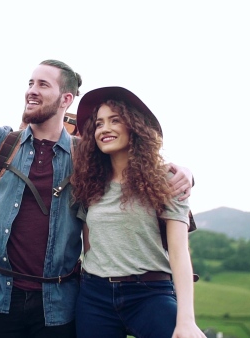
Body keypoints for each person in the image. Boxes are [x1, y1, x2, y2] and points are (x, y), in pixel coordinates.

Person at [0, 22, 194, 338]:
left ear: (66, 99)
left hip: (58, 306)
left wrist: (178, 171)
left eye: (43, 85)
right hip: (0, 300)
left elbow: (132, 157)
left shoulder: (85, 156)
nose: (32, 90)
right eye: (30, 82)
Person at [71, 86, 205, 338]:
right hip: (94, 296)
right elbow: (90, 246)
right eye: (99, 124)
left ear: (134, 126)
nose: (105, 129)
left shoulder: (167, 180)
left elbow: (179, 253)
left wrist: (186, 320)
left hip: (150, 294)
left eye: (115, 120)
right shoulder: (88, 182)